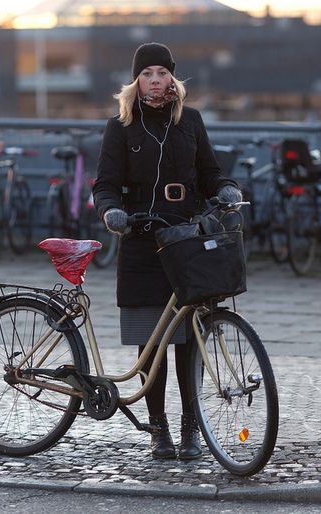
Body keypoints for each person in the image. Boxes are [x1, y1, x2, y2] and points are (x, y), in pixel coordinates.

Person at [93, 42, 242, 460]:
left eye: (161, 73)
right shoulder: (120, 126)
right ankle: (158, 430)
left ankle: (191, 428)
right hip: (142, 238)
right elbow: (104, 184)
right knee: (150, 343)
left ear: (172, 78)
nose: (155, 81)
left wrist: (225, 187)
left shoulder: (190, 121)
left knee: (189, 340)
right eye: (147, 74)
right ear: (136, 81)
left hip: (187, 238)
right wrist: (112, 212)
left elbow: (209, 172)